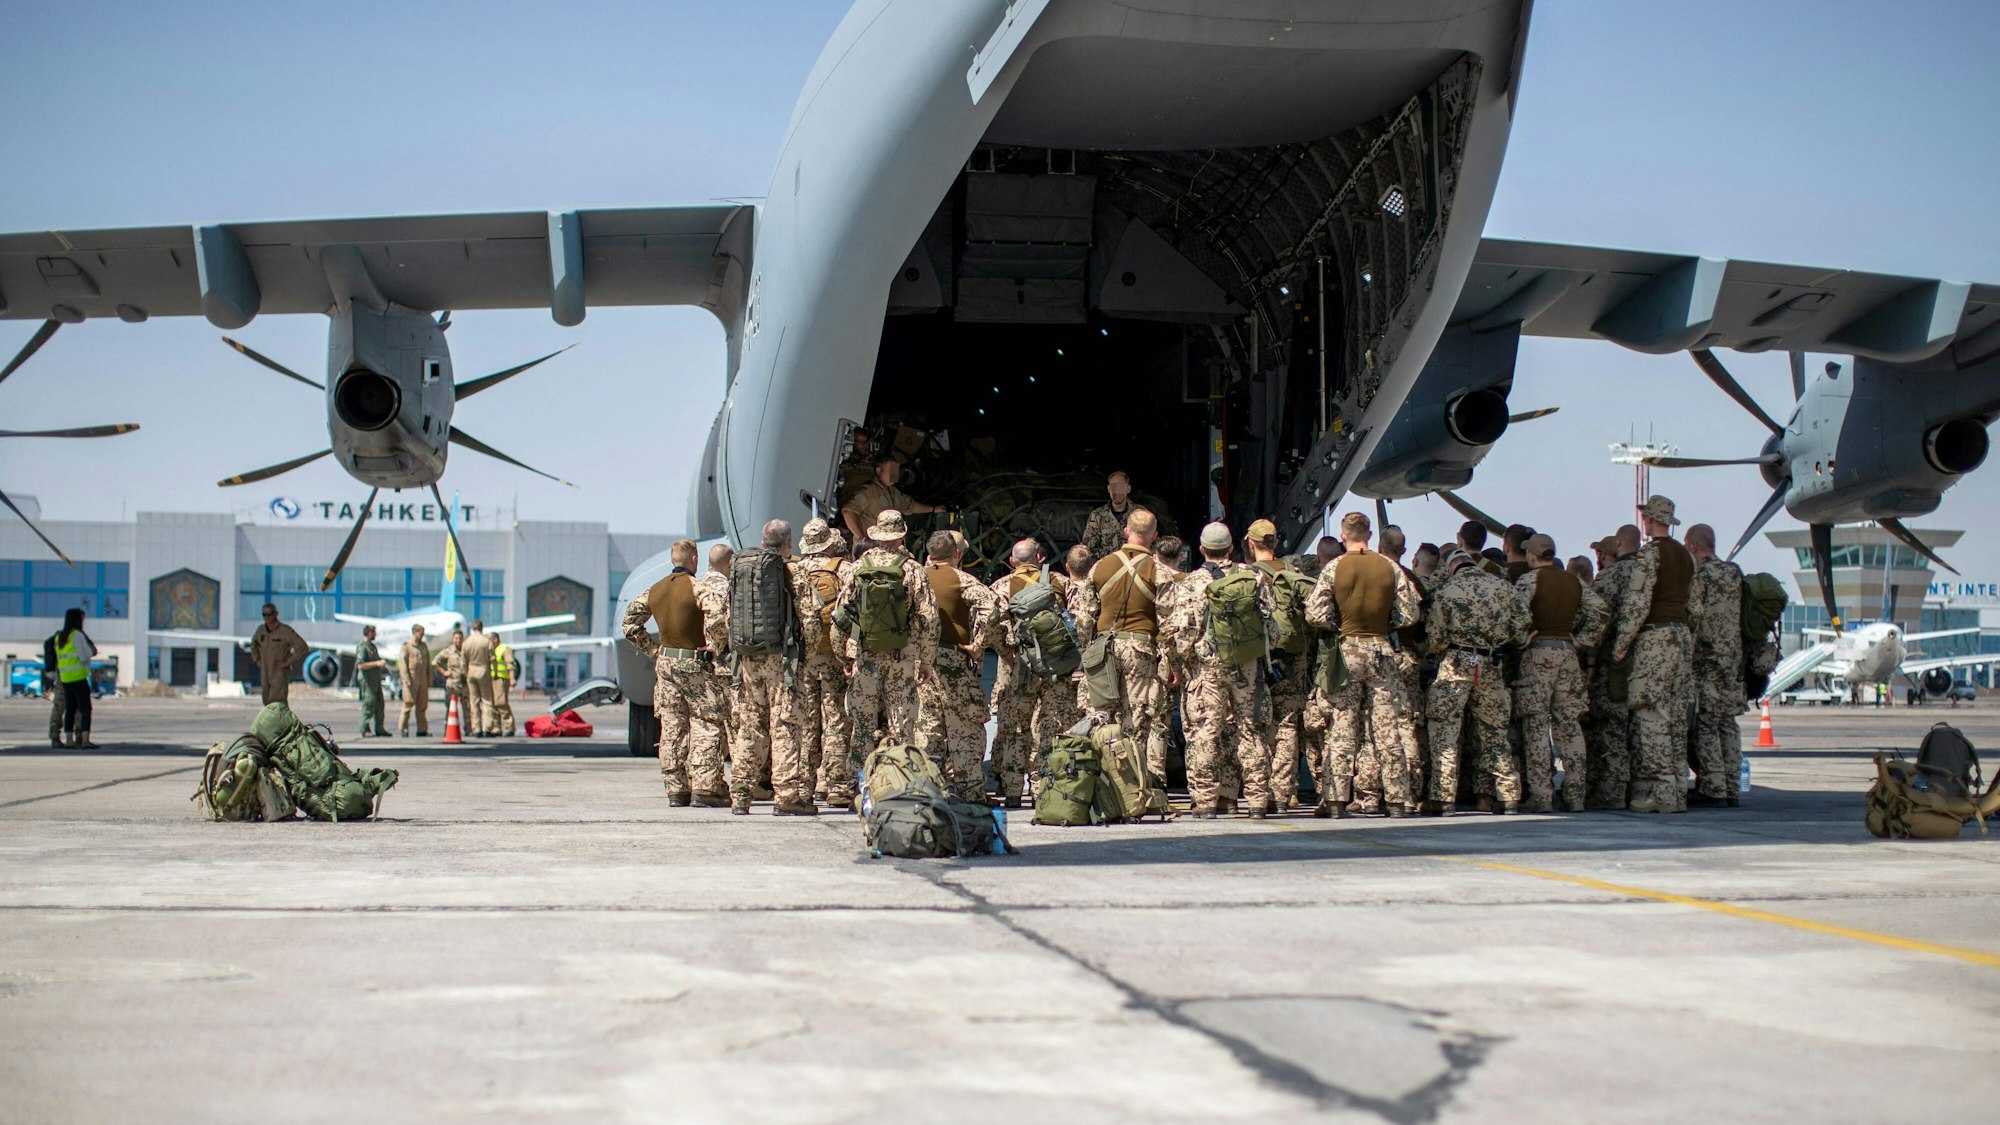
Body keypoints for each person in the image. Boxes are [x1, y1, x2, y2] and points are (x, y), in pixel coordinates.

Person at [1304, 511, 1423, 817]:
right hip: (1382, 649)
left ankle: (1334, 800)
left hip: (1347, 650)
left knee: (1342, 726)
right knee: (1387, 728)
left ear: (1343, 536)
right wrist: (1387, 623)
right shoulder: (1389, 566)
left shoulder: (1334, 567)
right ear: (1370, 535)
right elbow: (1410, 614)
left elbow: (1314, 614)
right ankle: (1397, 799)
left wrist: (1339, 625)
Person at [1168, 522, 1277, 818]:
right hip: (1248, 666)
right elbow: (1272, 627)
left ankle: (1205, 801)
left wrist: (1187, 659)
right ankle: (1256, 800)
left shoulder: (1192, 582)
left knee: (1206, 732)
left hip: (1208, 668)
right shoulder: (1253, 576)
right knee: (1250, 731)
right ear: (1231, 548)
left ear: (1202, 550)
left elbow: (1182, 634)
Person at [832, 509, 940, 790]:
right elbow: (929, 619)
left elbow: (840, 617)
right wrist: (926, 661)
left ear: (875, 534)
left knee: (863, 724)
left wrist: (845, 656)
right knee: (901, 723)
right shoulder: (912, 569)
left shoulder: (857, 567)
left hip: (865, 655)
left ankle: (860, 785)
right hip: (901, 655)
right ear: (902, 534)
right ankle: (900, 784)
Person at [718, 519, 814, 815]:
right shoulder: (792, 571)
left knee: (750, 725)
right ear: (789, 544)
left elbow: (725, 616)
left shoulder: (741, 569)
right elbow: (810, 617)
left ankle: (741, 795)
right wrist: (805, 651)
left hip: (747, 657)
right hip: (781, 658)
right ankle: (786, 796)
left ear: (762, 542)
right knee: (784, 724)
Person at [623, 539, 730, 805]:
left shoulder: (654, 590)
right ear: (694, 560)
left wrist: (652, 649)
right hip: (694, 663)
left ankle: (676, 789)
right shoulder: (698, 588)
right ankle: (704, 790)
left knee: (672, 727)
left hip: (665, 664)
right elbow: (718, 617)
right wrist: (716, 645)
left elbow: (629, 624)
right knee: (706, 722)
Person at [1423, 547, 1529, 815]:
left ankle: (1444, 799)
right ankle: (1508, 797)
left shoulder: (1446, 590)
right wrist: (1502, 639)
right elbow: (1523, 621)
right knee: (1494, 733)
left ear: (1451, 567)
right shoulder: (1502, 587)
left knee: (1446, 732)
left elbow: (1435, 638)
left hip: (1456, 664)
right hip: (1491, 665)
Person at [1610, 496, 1697, 813]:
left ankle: (1662, 794)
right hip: (1681, 637)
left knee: (1651, 716)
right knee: (1675, 718)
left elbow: (1638, 602)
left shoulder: (1650, 554)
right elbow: (1695, 605)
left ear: (1649, 520)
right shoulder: (1686, 556)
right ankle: (1677, 792)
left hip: (1656, 638)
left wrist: (1622, 642)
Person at [1513, 534, 1607, 812]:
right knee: (1570, 726)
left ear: (1531, 555)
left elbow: (1515, 614)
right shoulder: (1572, 581)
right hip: (1568, 654)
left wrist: (1521, 639)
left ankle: (1542, 796)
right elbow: (1601, 612)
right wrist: (1581, 640)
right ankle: (1575, 795)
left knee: (1537, 726)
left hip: (1539, 654)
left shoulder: (1529, 581)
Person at [989, 538, 1073, 807]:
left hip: (1020, 666)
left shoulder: (1001, 586)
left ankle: (1013, 791)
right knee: (1050, 725)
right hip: (1054, 666)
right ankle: (1043, 787)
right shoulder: (1060, 582)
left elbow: (991, 624)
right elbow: (1079, 619)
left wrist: (1006, 654)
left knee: (1016, 727)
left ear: (1012, 562)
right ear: (1040, 558)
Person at [917, 531, 999, 802]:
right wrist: (978, 644)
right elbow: (991, 609)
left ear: (929, 554)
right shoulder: (963, 580)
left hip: (918, 662)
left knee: (927, 726)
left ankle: (927, 787)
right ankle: (970, 790)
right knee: (964, 724)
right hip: (952, 659)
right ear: (957, 554)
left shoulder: (914, 576)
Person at [1088, 507, 1168, 780]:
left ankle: (1104, 778)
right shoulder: (1159, 569)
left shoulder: (1101, 566)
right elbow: (1169, 619)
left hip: (1103, 648)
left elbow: (1084, 614)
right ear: (1155, 536)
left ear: (1125, 531)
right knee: (1137, 715)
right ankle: (1134, 780)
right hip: (1140, 648)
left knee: (1102, 714)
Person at [1248, 518, 1313, 811]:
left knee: (1256, 725)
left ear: (1251, 544)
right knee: (1288, 723)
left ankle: (1257, 792)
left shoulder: (1246, 575)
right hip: (1292, 657)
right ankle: (1283, 794)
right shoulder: (1295, 574)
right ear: (1275, 544)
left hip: (1257, 656)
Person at [790, 520, 853, 803]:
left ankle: (805, 785)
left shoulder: (792, 571)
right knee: (836, 720)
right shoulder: (845, 569)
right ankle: (837, 786)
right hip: (833, 657)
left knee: (805, 722)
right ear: (829, 542)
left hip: (802, 658)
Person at [1685, 522, 1746, 808]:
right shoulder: (1733, 573)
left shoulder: (1701, 575)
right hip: (1733, 660)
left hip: (1707, 659)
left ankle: (1714, 786)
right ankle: (1733, 785)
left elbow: (1694, 614)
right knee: (1728, 724)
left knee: (1707, 723)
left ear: (1694, 547)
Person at [1582, 526, 1640, 809]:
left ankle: (1613, 793)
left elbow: (1598, 620)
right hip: (1649, 662)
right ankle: (1640, 789)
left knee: (1612, 729)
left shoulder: (1610, 577)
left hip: (1614, 663)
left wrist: (1588, 660)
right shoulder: (1648, 571)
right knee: (1640, 729)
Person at [841, 456, 938, 548]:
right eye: (890, 471)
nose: (893, 475)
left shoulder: (893, 492)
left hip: (888, 549)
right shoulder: (868, 492)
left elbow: (910, 506)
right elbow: (848, 512)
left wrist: (934, 509)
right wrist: (861, 538)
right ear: (879, 471)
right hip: (869, 549)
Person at [53, 607, 100, 748]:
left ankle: (69, 740)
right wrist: (91, 651)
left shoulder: (59, 638)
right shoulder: (77, 635)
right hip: (78, 677)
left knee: (70, 709)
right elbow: (85, 655)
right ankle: (85, 740)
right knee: (85, 708)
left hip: (65, 678)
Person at [250, 603, 309, 706]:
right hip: (265, 670)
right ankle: (274, 721)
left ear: (276, 614)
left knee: (277, 701)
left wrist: (287, 662)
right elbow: (254, 644)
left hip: (279, 671)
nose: (267, 617)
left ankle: (283, 721)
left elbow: (302, 647)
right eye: (264, 615)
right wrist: (257, 659)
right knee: (266, 699)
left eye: (270, 614)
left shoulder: (285, 631)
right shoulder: (261, 630)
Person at [1081, 471, 1138, 562]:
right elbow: (1087, 549)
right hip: (1106, 570)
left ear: (1128, 489)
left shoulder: (1140, 515)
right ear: (1109, 489)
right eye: (1113, 487)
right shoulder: (1096, 516)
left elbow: (1151, 544)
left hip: (1133, 569)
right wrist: (1108, 556)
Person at [461, 620, 497, 738]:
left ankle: (476, 728)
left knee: (474, 702)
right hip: (484, 671)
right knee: (487, 701)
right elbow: (493, 659)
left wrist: (465, 673)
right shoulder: (486, 641)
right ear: (482, 628)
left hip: (471, 672)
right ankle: (487, 727)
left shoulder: (467, 642)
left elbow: (463, 661)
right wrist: (495, 672)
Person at [398, 624, 433, 736]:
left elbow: (428, 664)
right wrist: (406, 680)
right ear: (415, 632)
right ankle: (403, 728)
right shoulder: (407, 647)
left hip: (422, 681)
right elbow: (403, 665)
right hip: (411, 681)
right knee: (408, 705)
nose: (422, 636)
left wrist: (429, 679)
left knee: (422, 706)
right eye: (420, 633)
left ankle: (422, 729)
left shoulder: (424, 646)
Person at [355, 625, 388, 737]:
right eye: (373, 632)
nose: (375, 635)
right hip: (367, 680)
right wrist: (377, 664)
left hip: (375, 679)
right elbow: (361, 665)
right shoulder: (362, 647)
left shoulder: (372, 647)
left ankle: (379, 729)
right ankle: (364, 728)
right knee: (368, 703)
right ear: (369, 633)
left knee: (379, 703)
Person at [432, 627, 468, 730]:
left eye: (460, 639)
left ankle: (468, 728)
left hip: (464, 683)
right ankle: (448, 728)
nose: (458, 641)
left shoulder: (466, 651)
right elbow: (435, 662)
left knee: (467, 708)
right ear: (453, 639)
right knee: (450, 707)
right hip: (452, 683)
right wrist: (444, 672)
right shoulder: (448, 651)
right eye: (456, 638)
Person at [489, 636, 517, 737]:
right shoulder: (491, 649)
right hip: (491, 679)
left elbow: (510, 664)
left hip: (501, 679)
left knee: (501, 703)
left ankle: (510, 727)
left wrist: (512, 678)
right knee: (493, 704)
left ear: (495, 639)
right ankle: (496, 728)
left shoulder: (504, 648)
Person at [41, 628, 63, 748]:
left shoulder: (57, 638)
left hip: (60, 676)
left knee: (59, 707)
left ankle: (55, 736)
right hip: (69, 677)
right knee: (75, 708)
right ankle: (77, 737)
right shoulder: (71, 638)